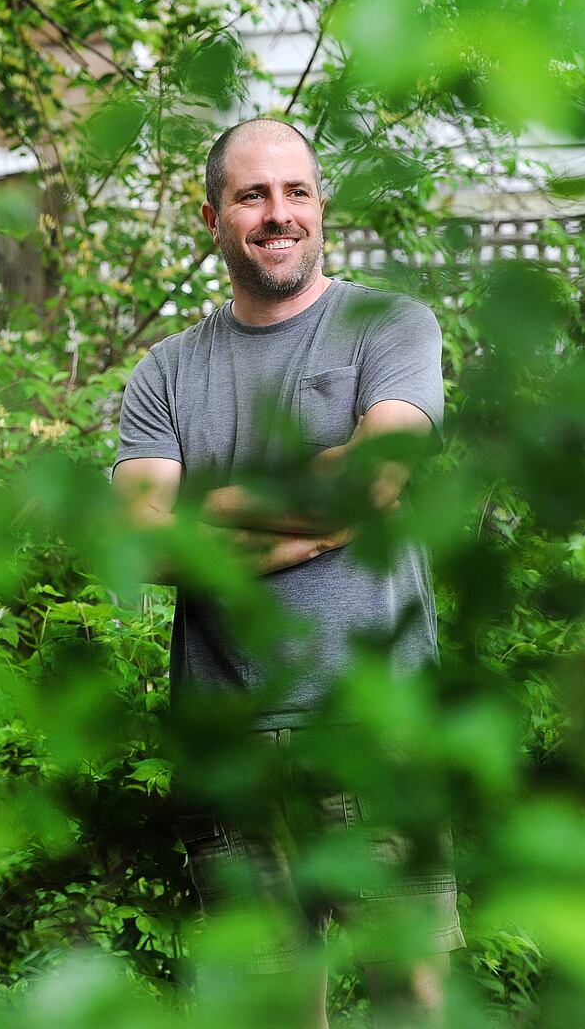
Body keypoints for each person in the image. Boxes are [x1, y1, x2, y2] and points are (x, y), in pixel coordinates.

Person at [112, 118, 462, 1025]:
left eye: (296, 192)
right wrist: (303, 531)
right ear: (211, 216)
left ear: (322, 208)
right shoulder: (167, 371)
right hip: (229, 753)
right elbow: (144, 543)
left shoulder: (389, 324)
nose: (278, 214)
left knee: (411, 1007)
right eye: (253, 195)